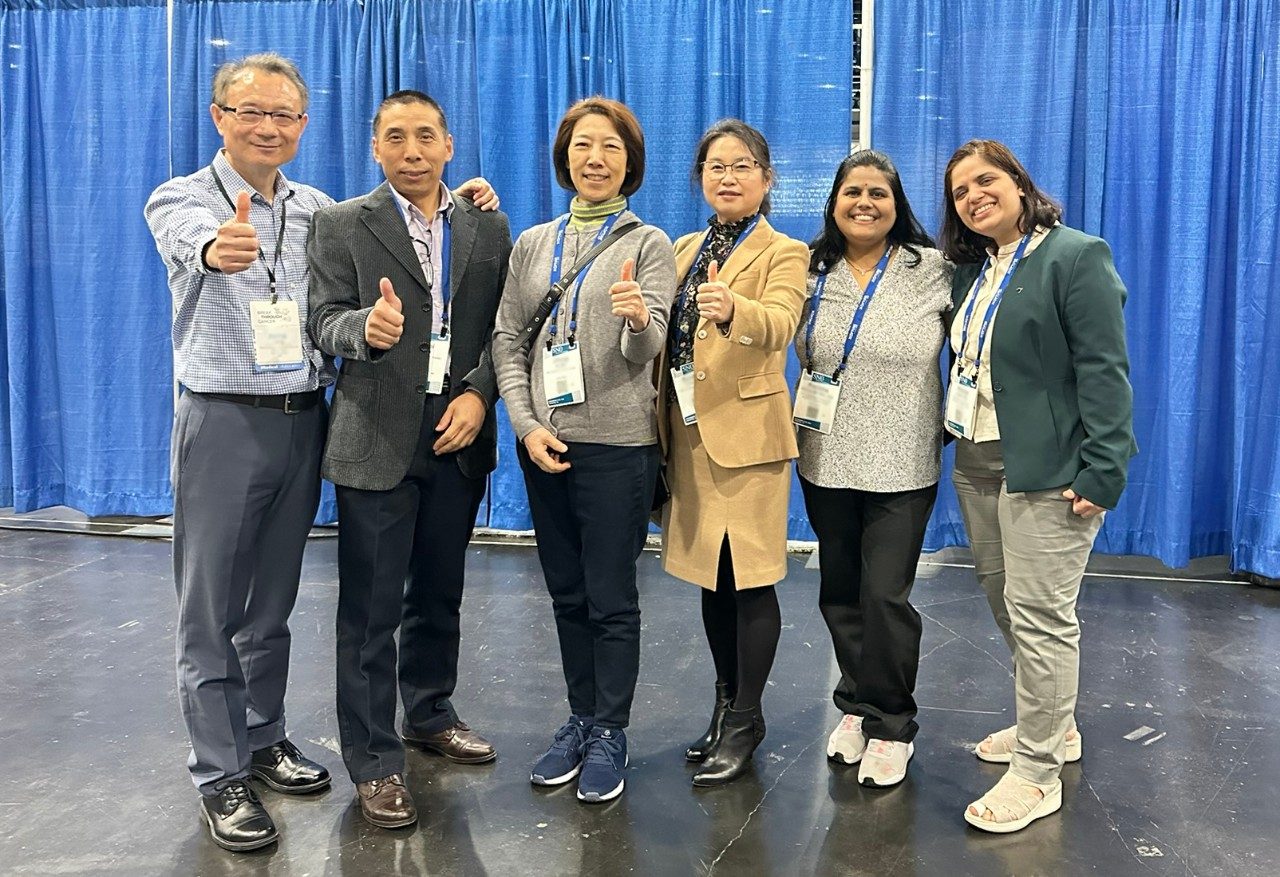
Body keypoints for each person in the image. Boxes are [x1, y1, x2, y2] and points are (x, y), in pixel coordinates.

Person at [306, 90, 511, 830]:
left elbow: (502, 329)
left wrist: (482, 396)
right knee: (369, 610)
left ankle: (429, 712)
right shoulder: (339, 224)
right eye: (396, 137)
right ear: (376, 148)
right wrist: (369, 324)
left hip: (457, 430)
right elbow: (321, 318)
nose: (413, 150)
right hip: (376, 435)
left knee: (440, 591)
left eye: (426, 136)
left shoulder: (486, 224)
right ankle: (373, 760)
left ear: (449, 146)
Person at [939, 139, 1135, 832]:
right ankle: (1056, 727)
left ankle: (1038, 770)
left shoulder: (1074, 256)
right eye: (960, 190)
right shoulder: (973, 273)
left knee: (1043, 616)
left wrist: (1104, 468)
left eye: (985, 180)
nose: (973, 195)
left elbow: (1105, 370)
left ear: (1020, 183)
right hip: (979, 461)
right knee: (1008, 606)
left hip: (1050, 471)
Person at [492, 97, 676, 804]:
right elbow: (510, 338)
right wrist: (525, 422)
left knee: (610, 596)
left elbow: (646, 348)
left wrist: (636, 320)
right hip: (544, 442)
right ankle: (579, 714)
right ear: (564, 156)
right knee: (566, 591)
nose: (594, 159)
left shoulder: (649, 242)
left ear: (631, 161)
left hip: (619, 448)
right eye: (581, 145)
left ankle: (611, 729)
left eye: (610, 147)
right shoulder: (533, 243)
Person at [656, 119, 808, 787]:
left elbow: (782, 321)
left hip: (748, 438)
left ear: (767, 179)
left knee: (750, 578)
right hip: (689, 433)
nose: (728, 176)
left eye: (742, 166)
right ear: (700, 178)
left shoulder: (786, 250)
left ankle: (747, 718)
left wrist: (732, 308)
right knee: (711, 578)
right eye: (716, 166)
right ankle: (724, 702)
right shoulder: (685, 245)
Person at [795, 150, 953, 788]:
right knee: (841, 594)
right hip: (825, 456)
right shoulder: (807, 268)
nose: (864, 202)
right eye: (852, 191)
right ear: (834, 201)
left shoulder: (933, 270)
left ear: (897, 204)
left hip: (904, 460)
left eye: (878, 193)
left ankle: (891, 721)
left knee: (885, 596)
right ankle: (856, 704)